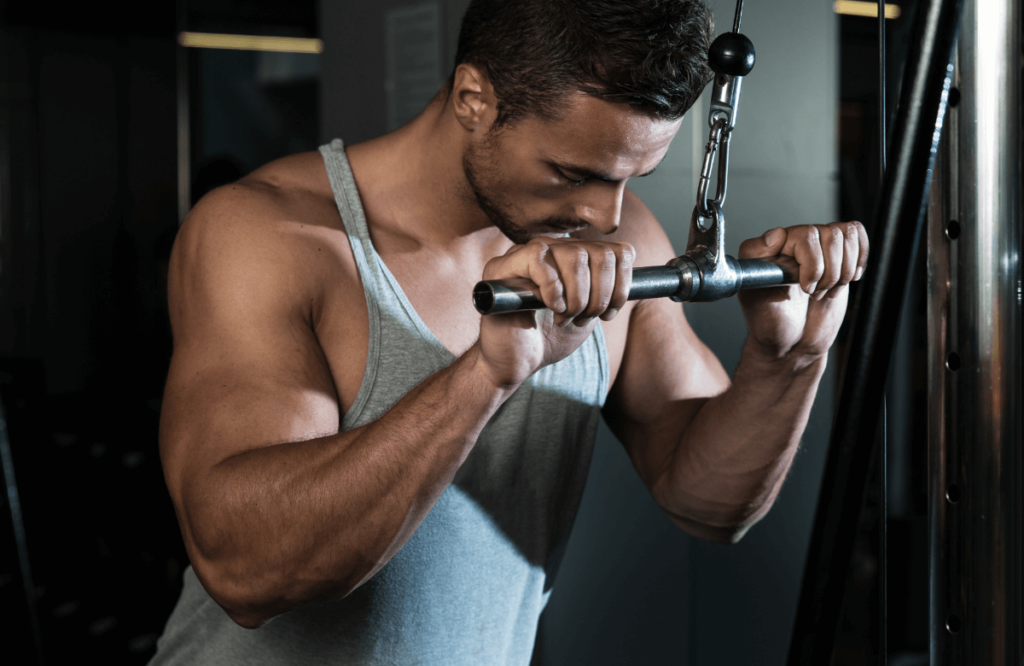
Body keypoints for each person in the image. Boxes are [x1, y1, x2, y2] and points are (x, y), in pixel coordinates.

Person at [150, 0, 868, 663]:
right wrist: (486, 374)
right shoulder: (267, 235)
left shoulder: (623, 242)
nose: (607, 216)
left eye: (631, 176)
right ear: (474, 98)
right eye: (571, 172)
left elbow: (709, 504)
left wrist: (788, 357)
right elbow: (243, 569)